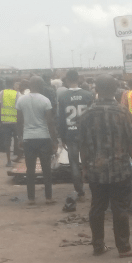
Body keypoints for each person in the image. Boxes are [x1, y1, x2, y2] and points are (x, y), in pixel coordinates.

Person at [79, 74, 132, 258]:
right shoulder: (123, 112)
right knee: (120, 208)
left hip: (95, 170)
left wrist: (84, 168)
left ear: (96, 90)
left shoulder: (87, 114)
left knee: (97, 207)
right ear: (115, 90)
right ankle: (124, 248)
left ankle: (98, 246)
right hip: (120, 169)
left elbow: (82, 145)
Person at [16, 76, 59, 205]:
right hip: (44, 137)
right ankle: (48, 197)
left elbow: (19, 121)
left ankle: (31, 198)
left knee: (30, 169)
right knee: (46, 169)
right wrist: (54, 140)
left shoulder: (21, 100)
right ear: (40, 86)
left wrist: (19, 137)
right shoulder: (45, 100)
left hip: (28, 138)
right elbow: (50, 122)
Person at [57, 70, 95, 200]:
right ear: (79, 79)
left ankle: (79, 191)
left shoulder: (62, 96)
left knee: (73, 162)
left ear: (67, 80)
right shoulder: (88, 95)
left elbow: (60, 118)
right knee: (88, 161)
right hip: (86, 134)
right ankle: (94, 188)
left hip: (70, 133)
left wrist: (62, 137)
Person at [0, 78, 21, 167]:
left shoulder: (1, 93)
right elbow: (19, 107)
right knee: (18, 139)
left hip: (5, 120)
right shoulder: (17, 93)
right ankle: (19, 157)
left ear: (5, 84)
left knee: (7, 142)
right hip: (15, 120)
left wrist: (0, 119)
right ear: (13, 84)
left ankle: (8, 160)